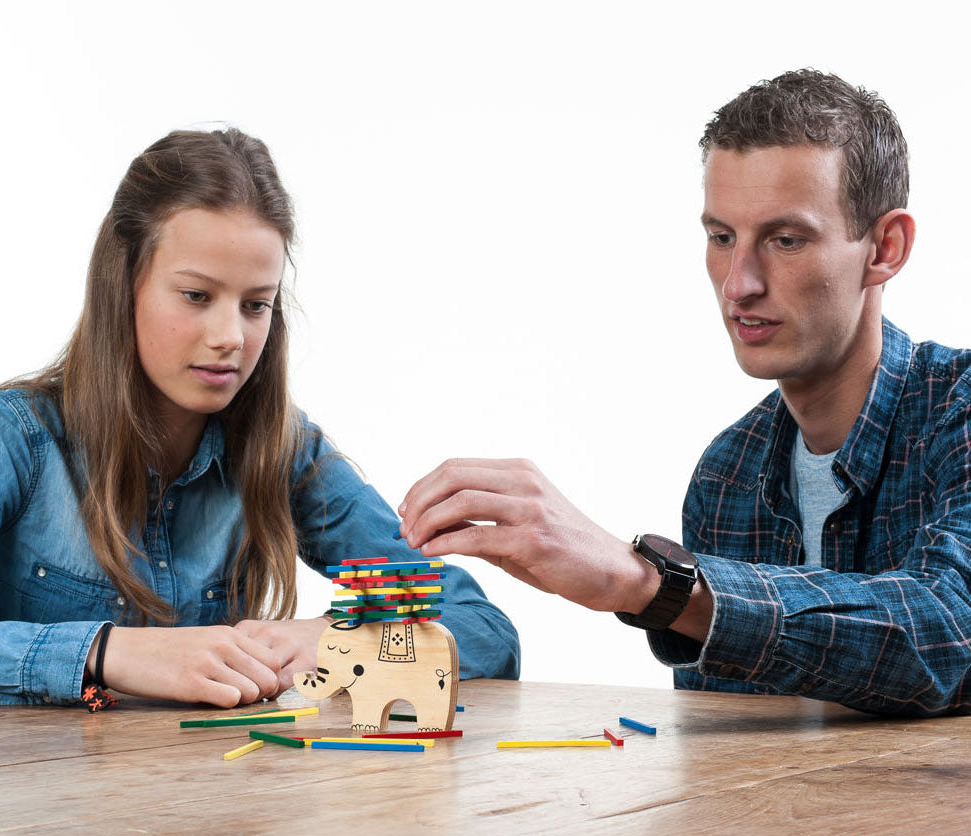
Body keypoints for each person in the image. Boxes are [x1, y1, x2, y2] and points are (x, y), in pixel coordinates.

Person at [396, 69, 971, 718]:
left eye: (786, 239)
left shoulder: (959, 409)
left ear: (885, 248)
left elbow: (949, 633)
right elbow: (723, 755)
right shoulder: (727, 476)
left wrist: (647, 582)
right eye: (722, 237)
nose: (739, 285)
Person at [0, 127, 518, 709]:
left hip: (214, 795)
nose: (231, 337)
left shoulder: (285, 450)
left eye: (256, 304)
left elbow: (482, 627)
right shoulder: (12, 438)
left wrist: (342, 640)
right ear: (121, 287)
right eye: (196, 296)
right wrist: (106, 652)